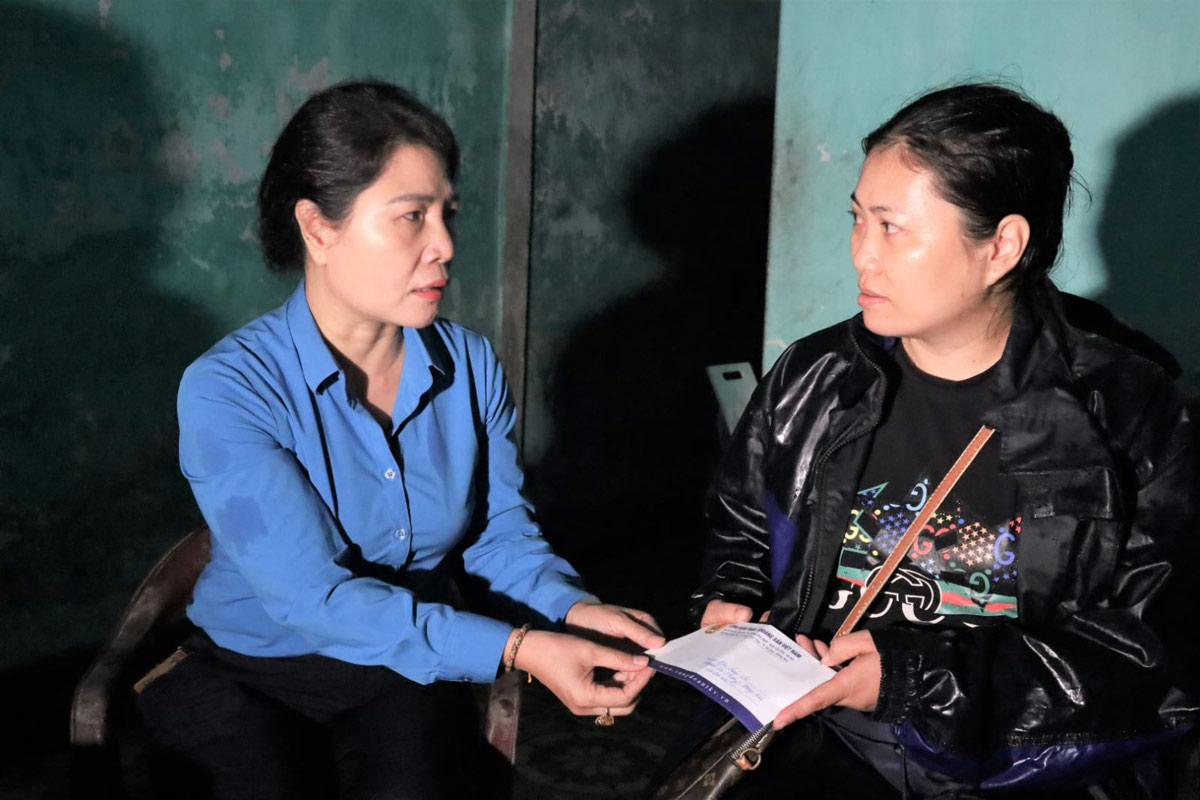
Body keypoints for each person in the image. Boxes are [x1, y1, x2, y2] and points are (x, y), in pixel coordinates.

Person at [136, 80, 664, 800]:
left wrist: (570, 607)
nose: (444, 246)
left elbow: (496, 534)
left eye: (446, 214)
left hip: (402, 668)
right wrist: (519, 647)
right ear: (319, 229)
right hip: (247, 670)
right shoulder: (230, 387)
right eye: (412, 216)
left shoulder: (469, 366)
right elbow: (312, 599)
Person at [691, 83, 1199, 798]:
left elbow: (1157, 659)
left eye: (893, 227)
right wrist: (731, 598)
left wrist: (914, 680)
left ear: (1002, 247)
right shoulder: (816, 376)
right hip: (823, 757)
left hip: (1018, 773)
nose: (862, 254)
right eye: (856, 219)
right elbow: (742, 527)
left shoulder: (1126, 411)